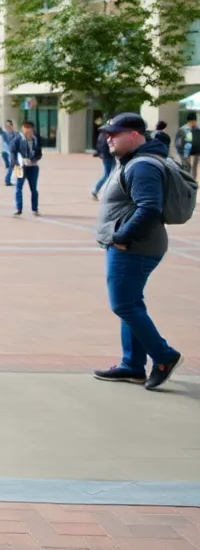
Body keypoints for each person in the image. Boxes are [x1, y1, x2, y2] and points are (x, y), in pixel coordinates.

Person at [92, 113, 185, 390]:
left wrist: (121, 236)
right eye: (107, 133)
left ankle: (164, 356)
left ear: (133, 135)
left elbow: (148, 208)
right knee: (131, 303)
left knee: (123, 304)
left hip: (134, 247)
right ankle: (132, 365)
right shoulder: (134, 160)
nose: (108, 137)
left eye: (114, 133)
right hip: (135, 245)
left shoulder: (142, 166)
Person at [11, 121, 43, 216]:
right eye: (25, 127)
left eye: (29, 128)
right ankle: (19, 209)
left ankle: (35, 209)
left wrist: (33, 159)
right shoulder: (17, 139)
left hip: (33, 167)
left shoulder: (35, 139)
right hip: (20, 166)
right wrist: (15, 163)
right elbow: (12, 152)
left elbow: (39, 153)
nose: (27, 130)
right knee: (18, 188)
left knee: (34, 189)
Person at [91, 128, 114, 200]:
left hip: (105, 156)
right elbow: (106, 146)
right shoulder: (107, 134)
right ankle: (97, 190)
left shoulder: (102, 134)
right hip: (109, 157)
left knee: (107, 174)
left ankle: (96, 190)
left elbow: (99, 145)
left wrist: (99, 153)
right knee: (109, 175)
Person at [0, 120, 18, 186]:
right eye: (6, 126)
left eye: (9, 126)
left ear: (12, 126)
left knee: (16, 166)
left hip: (15, 152)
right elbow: (0, 142)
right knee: (14, 166)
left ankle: (12, 180)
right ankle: (9, 180)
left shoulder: (16, 134)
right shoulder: (4, 134)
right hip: (8, 153)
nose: (8, 127)